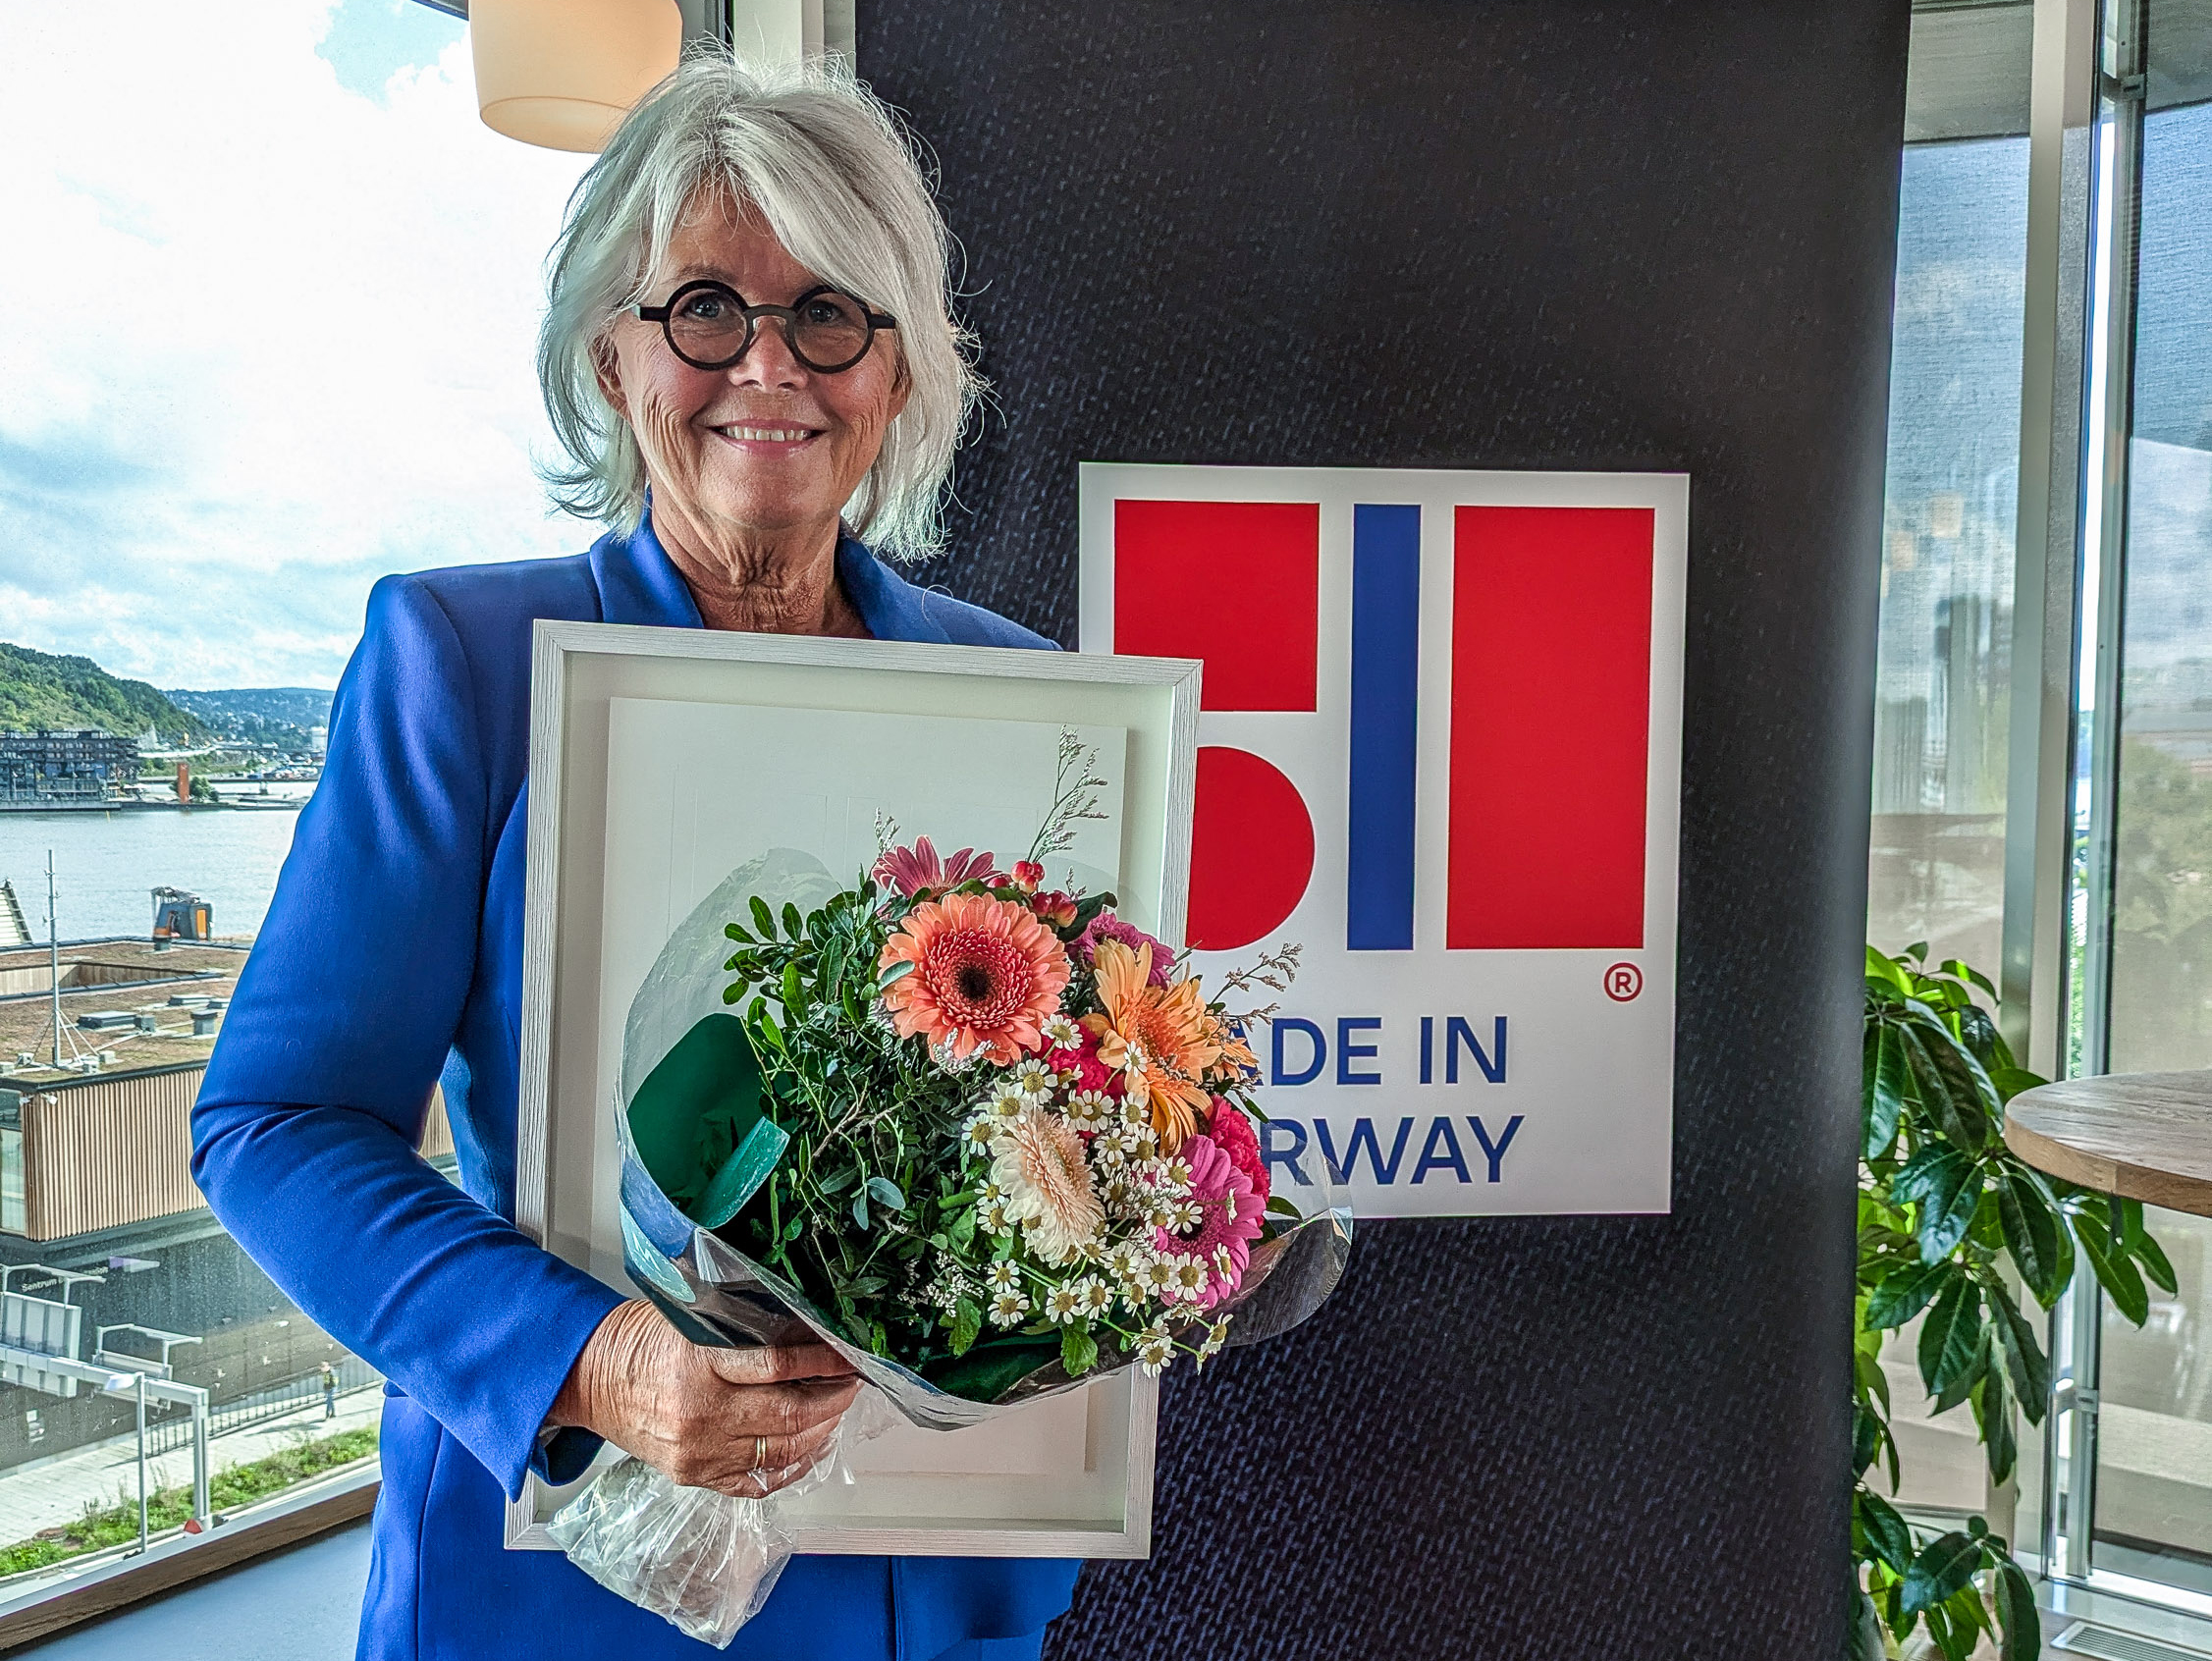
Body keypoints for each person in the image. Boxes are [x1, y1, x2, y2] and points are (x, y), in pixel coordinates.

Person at [192, 51, 1077, 1661]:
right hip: (560, 1577)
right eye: (705, 310)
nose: (768, 364)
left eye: (829, 314)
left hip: (923, 1579)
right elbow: (274, 1125)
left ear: (895, 378)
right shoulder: (461, 665)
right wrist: (596, 1362)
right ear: (612, 356)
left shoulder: (1025, 699)